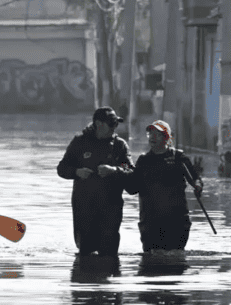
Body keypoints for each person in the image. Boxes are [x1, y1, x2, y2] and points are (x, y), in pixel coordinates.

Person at [57, 107, 134, 256]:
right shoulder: (80, 142)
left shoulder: (119, 146)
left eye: (116, 124)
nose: (115, 128)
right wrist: (76, 172)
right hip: (84, 208)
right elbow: (62, 168)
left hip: (111, 208)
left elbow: (130, 171)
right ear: (99, 124)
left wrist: (114, 170)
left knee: (109, 254)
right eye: (111, 124)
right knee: (86, 254)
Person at [126, 120, 203, 253]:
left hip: (177, 221)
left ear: (166, 137)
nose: (152, 137)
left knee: (175, 261)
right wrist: (121, 174)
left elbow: (196, 179)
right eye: (150, 133)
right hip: (150, 223)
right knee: (151, 262)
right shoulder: (144, 160)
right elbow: (132, 189)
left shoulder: (178, 157)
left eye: (157, 134)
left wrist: (197, 186)